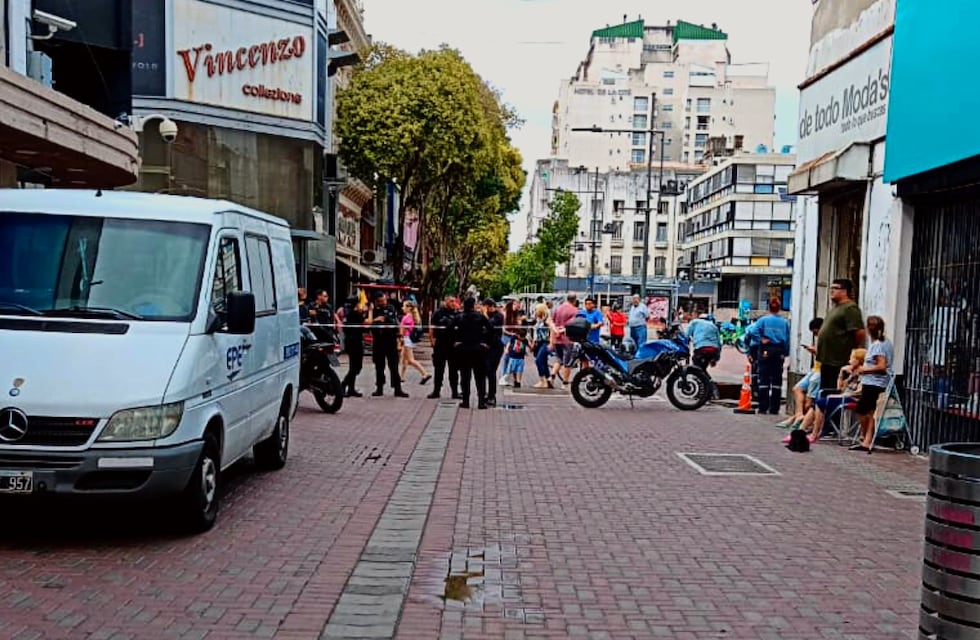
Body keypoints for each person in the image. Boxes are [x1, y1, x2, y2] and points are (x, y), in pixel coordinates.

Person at [812, 278, 865, 439]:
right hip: (827, 360)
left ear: (845, 291)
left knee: (833, 391)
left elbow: (859, 333)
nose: (832, 291)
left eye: (836, 288)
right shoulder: (836, 308)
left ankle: (830, 427)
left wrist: (850, 350)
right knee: (824, 392)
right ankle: (823, 425)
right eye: (831, 288)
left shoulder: (850, 309)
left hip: (838, 360)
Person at [852, 316, 894, 452]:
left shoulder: (877, 345)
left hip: (873, 383)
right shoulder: (886, 343)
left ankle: (865, 436)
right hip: (878, 383)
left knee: (861, 411)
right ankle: (867, 440)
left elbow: (882, 366)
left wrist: (864, 369)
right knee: (871, 412)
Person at [776, 317, 824, 428]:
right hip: (814, 369)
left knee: (809, 399)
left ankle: (796, 419)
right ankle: (798, 415)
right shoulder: (820, 339)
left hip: (820, 372)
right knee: (797, 388)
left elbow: (827, 356)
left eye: (816, 332)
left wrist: (815, 351)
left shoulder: (828, 339)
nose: (816, 335)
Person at [452, 297, 492, 409]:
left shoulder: (459, 317)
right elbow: (491, 329)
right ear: (473, 305)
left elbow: (449, 329)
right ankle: (481, 402)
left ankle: (465, 401)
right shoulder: (480, 317)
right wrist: (486, 342)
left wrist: (456, 341)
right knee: (480, 377)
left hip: (464, 349)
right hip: (478, 348)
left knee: (465, 376)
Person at [753, 297, 791, 415]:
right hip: (778, 351)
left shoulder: (763, 320)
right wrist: (785, 352)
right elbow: (788, 340)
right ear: (779, 308)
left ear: (769, 307)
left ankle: (763, 407)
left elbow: (753, 332)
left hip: (766, 350)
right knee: (777, 380)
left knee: (763, 378)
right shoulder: (784, 322)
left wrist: (761, 340)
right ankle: (774, 408)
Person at [368, 292, 408, 398]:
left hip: (390, 340)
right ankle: (379, 388)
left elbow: (393, 321)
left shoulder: (391, 308)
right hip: (378, 342)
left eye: (384, 300)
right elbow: (368, 323)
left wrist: (400, 336)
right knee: (379, 366)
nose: (383, 302)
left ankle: (397, 388)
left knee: (394, 366)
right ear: (376, 302)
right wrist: (374, 317)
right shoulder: (373, 310)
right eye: (381, 301)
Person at [428, 296, 460, 399]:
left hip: (453, 346)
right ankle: (436, 391)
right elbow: (432, 327)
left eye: (454, 301)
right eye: (451, 301)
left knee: (454, 370)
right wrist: (432, 340)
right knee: (439, 370)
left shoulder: (457, 313)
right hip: (440, 344)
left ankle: (455, 392)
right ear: (445, 301)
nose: (453, 303)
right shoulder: (438, 313)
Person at [550, 293, 581, 386]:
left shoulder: (557, 309)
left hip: (557, 338)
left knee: (558, 359)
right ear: (574, 300)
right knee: (568, 362)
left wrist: (552, 340)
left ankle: (552, 376)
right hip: (568, 339)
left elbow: (553, 323)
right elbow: (574, 324)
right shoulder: (575, 311)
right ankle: (565, 382)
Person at [399, 300, 431, 384]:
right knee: (403, 359)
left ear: (409, 308)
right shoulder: (412, 317)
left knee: (410, 360)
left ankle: (425, 373)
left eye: (404, 306)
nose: (403, 308)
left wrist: (400, 339)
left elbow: (402, 329)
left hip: (406, 339)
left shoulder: (406, 317)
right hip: (409, 339)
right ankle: (401, 376)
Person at [341, 295, 366, 397]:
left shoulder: (348, 311)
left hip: (352, 341)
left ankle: (351, 388)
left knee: (354, 366)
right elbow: (363, 323)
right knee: (356, 367)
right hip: (354, 342)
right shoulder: (354, 313)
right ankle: (343, 384)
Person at [483, 299, 505, 407]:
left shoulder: (498, 316)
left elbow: (490, 325)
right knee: (487, 371)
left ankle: (492, 396)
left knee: (491, 370)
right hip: (487, 347)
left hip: (496, 347)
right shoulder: (489, 315)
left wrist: (484, 314)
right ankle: (489, 393)